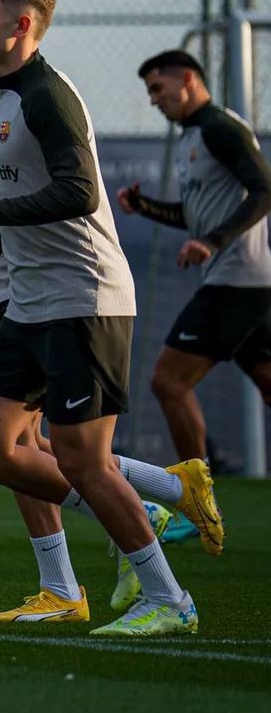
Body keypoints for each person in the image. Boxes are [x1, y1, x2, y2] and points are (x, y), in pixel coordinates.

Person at [0, 0, 214, 638]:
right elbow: (25, 195)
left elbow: (79, 193)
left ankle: (170, 600)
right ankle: (156, 496)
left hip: (81, 296)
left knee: (82, 460)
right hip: (28, 301)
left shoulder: (46, 95)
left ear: (20, 27)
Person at [118, 50, 271, 535]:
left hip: (238, 279)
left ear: (188, 79)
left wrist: (213, 242)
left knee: (168, 382)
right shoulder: (192, 138)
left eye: (158, 89)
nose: (154, 100)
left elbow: (264, 189)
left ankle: (195, 502)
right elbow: (195, 215)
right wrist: (146, 208)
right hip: (238, 279)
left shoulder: (220, 128)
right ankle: (196, 498)